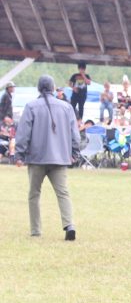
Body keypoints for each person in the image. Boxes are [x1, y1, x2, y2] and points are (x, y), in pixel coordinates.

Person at [14, 75, 79, 240]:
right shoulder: (66, 107)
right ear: (53, 88)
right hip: (60, 158)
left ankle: (36, 230)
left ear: (38, 88)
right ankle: (69, 224)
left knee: (34, 193)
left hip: (37, 158)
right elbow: (75, 135)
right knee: (63, 193)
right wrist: (74, 153)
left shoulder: (31, 106)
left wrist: (19, 155)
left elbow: (23, 133)